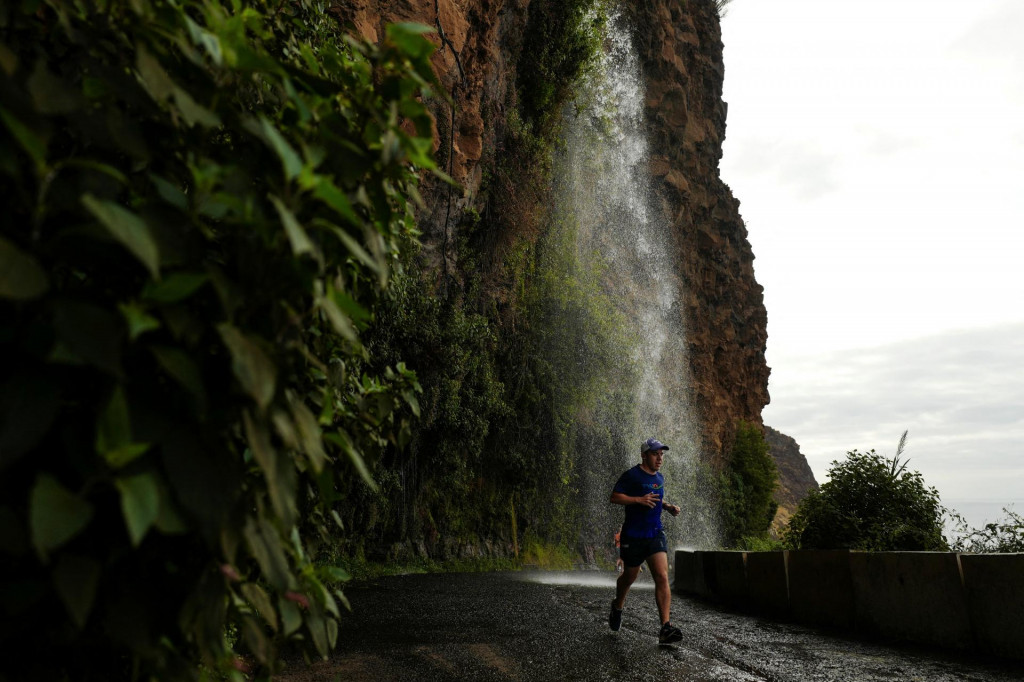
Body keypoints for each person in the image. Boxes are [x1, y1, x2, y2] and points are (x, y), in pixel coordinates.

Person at [608, 437, 683, 644]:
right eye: (655, 454)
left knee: (661, 575)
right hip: (633, 536)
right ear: (644, 455)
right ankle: (618, 605)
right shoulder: (631, 475)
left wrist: (667, 507)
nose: (659, 458)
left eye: (661, 454)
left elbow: (656, 498)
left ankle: (665, 628)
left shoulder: (660, 478)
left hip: (655, 533)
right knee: (629, 578)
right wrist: (637, 500)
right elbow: (614, 497)